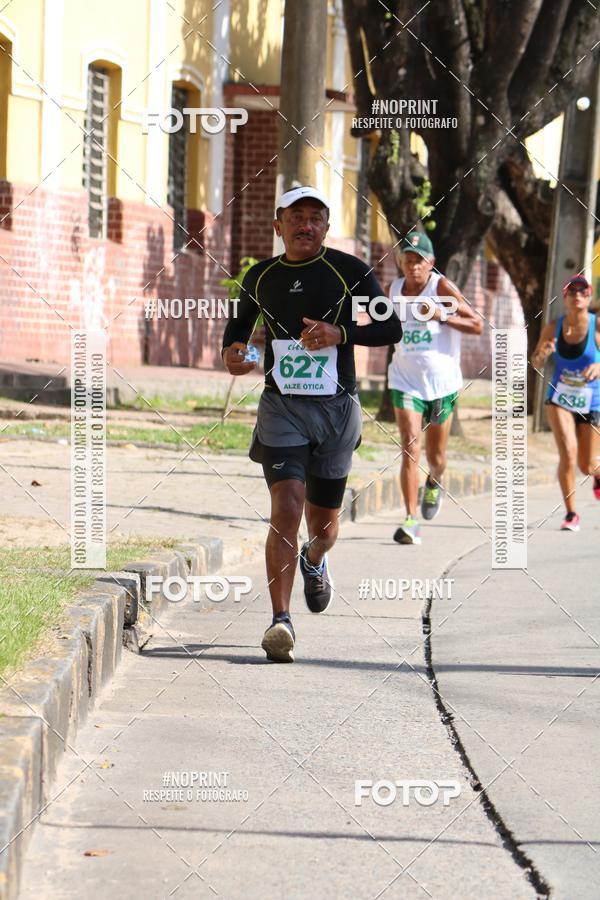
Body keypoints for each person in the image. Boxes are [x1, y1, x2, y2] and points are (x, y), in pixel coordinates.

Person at [221, 186, 402, 662]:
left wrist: (341, 333)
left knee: (323, 525)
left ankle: (315, 558)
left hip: (337, 410)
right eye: (295, 217)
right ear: (277, 225)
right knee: (287, 504)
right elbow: (237, 336)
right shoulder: (260, 277)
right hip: (281, 408)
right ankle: (281, 622)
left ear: (327, 226)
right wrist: (237, 356)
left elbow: (391, 329)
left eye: (315, 217)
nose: (306, 225)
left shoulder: (351, 272)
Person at [387, 231, 483, 545]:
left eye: (420, 260)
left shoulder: (440, 286)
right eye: (408, 260)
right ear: (401, 263)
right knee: (409, 446)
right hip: (405, 380)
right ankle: (411, 520)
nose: (413, 266)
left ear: (431, 263)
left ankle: (435, 479)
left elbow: (477, 324)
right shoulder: (394, 289)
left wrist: (443, 314)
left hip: (442, 384)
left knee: (436, 455)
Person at [531, 274, 600, 531]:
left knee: (587, 464)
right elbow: (535, 362)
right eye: (573, 292)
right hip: (559, 398)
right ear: (566, 297)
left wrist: (598, 365)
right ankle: (571, 514)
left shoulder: (597, 325)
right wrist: (543, 353)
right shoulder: (553, 327)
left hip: (592, 400)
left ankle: (597, 474)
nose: (578, 296)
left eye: (583, 292)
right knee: (568, 453)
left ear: (589, 297)